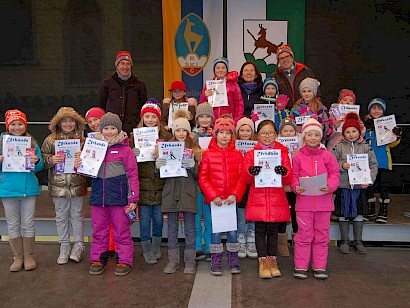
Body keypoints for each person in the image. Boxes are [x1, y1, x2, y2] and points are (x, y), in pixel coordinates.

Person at [75, 112, 139, 276]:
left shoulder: (126, 151)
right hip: (98, 198)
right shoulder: (93, 148)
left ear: (118, 130)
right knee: (99, 230)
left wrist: (133, 198)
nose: (109, 132)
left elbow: (132, 175)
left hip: (119, 199)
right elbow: (86, 172)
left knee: (121, 231)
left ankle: (124, 260)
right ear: (100, 130)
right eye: (106, 128)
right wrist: (78, 166)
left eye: (113, 128)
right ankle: (98, 258)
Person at [242, 120, 292, 279]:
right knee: (259, 230)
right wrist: (251, 172)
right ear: (258, 136)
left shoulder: (283, 153)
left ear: (276, 135)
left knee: (273, 231)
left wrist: (284, 172)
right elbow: (244, 177)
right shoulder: (251, 154)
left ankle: (273, 261)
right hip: (258, 197)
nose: (267, 136)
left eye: (270, 133)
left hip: (276, 197)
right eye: (263, 133)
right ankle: (263, 262)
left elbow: (289, 178)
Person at [291, 116, 340, 280]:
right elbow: (293, 176)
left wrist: (330, 186)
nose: (313, 138)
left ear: (321, 137)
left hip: (324, 204)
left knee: (321, 235)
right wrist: (295, 186)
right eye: (309, 134)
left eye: (316, 135)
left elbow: (335, 174)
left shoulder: (328, 156)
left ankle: (319, 266)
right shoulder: (297, 157)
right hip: (304, 204)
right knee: (303, 235)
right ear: (303, 136)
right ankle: (301, 266)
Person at [199, 116, 246, 276]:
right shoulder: (208, 155)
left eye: (228, 133)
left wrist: (235, 194)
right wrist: (213, 196)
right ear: (216, 134)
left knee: (233, 231)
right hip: (216, 202)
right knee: (216, 232)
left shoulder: (238, 155)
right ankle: (216, 259)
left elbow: (242, 178)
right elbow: (203, 178)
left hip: (231, 201)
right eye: (221, 132)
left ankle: (233, 259)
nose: (225, 136)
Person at [41, 107, 88, 265]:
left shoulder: (83, 140)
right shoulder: (50, 139)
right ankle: (64, 246)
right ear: (58, 123)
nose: (68, 124)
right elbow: (42, 158)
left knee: (77, 216)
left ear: (77, 122)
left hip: (77, 184)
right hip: (58, 185)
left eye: (71, 120)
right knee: (61, 217)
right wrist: (50, 160)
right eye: (64, 121)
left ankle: (79, 246)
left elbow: (91, 161)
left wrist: (83, 159)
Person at [156, 110, 200, 274]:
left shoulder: (195, 149)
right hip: (170, 192)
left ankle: (190, 261)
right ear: (173, 131)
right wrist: (158, 165)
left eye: (184, 130)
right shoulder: (165, 148)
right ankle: (173, 260)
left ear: (189, 132)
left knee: (190, 228)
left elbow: (199, 174)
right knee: (172, 228)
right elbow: (160, 177)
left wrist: (193, 166)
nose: (181, 133)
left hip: (188, 192)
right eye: (178, 130)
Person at [0, 110, 44, 271]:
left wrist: (37, 160)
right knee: (12, 224)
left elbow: (40, 166)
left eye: (20, 124)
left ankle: (29, 255)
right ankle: (17, 257)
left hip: (28, 189)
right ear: (7, 126)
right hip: (7, 189)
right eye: (13, 124)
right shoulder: (1, 143)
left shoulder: (31, 142)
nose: (17, 127)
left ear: (25, 125)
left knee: (28, 223)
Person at [131, 99, 172, 264]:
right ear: (142, 118)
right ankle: (146, 248)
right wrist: (131, 154)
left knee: (159, 219)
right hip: (143, 187)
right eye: (147, 116)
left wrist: (163, 159)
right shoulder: (134, 137)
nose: (150, 120)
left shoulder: (166, 136)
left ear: (158, 119)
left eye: (153, 117)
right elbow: (127, 165)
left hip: (160, 186)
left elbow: (173, 159)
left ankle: (156, 246)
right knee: (145, 220)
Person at [332, 113, 378, 254]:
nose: (351, 134)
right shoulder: (339, 147)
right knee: (343, 214)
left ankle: (358, 241)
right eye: (347, 131)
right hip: (344, 186)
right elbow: (331, 163)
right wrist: (342, 165)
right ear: (343, 133)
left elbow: (373, 164)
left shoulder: (366, 147)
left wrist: (368, 180)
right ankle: (344, 241)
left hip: (359, 187)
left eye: (354, 131)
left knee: (358, 214)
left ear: (359, 132)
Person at [363, 98, 402, 223]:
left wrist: (396, 135)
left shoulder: (388, 125)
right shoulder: (364, 125)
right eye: (374, 108)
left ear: (383, 111)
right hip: (368, 163)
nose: (376, 111)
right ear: (369, 110)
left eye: (379, 108)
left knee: (383, 187)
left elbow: (392, 144)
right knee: (369, 187)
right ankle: (370, 210)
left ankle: (383, 212)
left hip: (383, 161)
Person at [99, 50, 148, 135]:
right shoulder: (107, 84)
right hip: (111, 131)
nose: (125, 67)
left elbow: (143, 107)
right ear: (117, 66)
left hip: (132, 130)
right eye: (122, 63)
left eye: (128, 64)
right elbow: (101, 105)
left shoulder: (140, 85)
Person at [191, 102, 214, 261]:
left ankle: (211, 246)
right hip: (195, 181)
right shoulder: (191, 135)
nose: (205, 120)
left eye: (208, 116)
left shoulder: (217, 134)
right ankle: (198, 246)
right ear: (197, 118)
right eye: (201, 116)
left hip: (212, 183)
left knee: (211, 216)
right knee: (197, 216)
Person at [234, 116, 258, 259]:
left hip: (254, 184)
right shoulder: (234, 146)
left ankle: (251, 241)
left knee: (252, 215)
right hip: (239, 184)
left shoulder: (257, 147)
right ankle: (241, 240)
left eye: (248, 130)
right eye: (242, 130)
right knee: (241, 215)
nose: (244, 133)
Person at [271, 44, 320, 109]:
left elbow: (317, 92)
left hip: (306, 111)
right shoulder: (275, 76)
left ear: (292, 57)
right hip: (285, 113)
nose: (285, 60)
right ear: (278, 61)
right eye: (281, 58)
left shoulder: (305, 71)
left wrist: (316, 107)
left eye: (287, 56)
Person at [277, 118, 300, 256]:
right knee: (282, 214)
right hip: (281, 185)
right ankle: (282, 243)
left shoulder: (300, 147)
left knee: (296, 213)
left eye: (291, 130)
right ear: (280, 133)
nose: (288, 133)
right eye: (285, 131)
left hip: (295, 186)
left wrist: (298, 154)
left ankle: (298, 240)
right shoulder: (275, 147)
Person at [199, 57, 244, 123]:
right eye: (218, 68)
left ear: (227, 70)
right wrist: (205, 95)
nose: (220, 70)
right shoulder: (209, 85)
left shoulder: (233, 85)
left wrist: (236, 120)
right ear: (214, 70)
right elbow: (202, 104)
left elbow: (239, 104)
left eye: (223, 68)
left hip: (228, 121)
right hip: (212, 121)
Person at [290, 78, 332, 145]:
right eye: (304, 91)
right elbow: (291, 126)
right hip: (300, 143)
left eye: (309, 91)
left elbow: (329, 126)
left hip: (316, 142)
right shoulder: (295, 108)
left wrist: (319, 126)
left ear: (314, 92)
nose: (306, 94)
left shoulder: (321, 108)